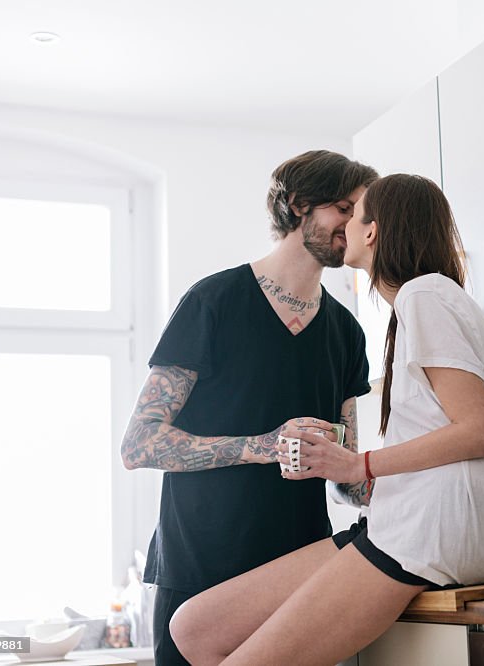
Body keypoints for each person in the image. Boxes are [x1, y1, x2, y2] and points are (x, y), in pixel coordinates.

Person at [169, 173, 484, 665]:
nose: (347, 224)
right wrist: (341, 462)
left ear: (373, 231)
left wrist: (357, 465)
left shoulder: (425, 297)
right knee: (193, 627)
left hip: (427, 534)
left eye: (355, 212)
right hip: (400, 526)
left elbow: (478, 431)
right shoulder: (422, 302)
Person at [119, 150, 379, 666]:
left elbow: (347, 480)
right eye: (342, 208)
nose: (353, 225)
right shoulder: (213, 301)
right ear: (299, 205)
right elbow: (139, 444)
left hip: (301, 583)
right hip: (197, 576)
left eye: (361, 213)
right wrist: (263, 446)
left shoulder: (347, 332)